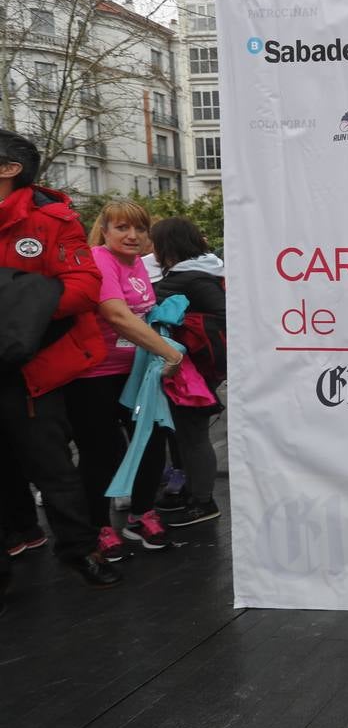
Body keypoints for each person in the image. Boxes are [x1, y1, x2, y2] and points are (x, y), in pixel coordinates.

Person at [0, 129, 121, 591]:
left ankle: (79, 550)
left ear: (10, 169)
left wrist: (17, 309)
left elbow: (84, 286)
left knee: (51, 467)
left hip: (33, 368)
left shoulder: (51, 220)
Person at [64, 201, 183, 560]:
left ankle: (140, 514)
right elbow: (116, 315)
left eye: (140, 229)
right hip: (94, 375)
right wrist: (170, 353)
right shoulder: (100, 259)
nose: (133, 236)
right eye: (122, 228)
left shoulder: (138, 267)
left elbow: (141, 315)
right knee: (101, 452)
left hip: (136, 374)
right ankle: (99, 525)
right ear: (105, 230)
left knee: (150, 442)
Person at [148, 217, 226, 526]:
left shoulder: (188, 278)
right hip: (203, 366)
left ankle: (203, 501)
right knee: (187, 434)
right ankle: (195, 494)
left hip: (193, 368)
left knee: (192, 435)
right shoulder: (208, 268)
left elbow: (221, 313)